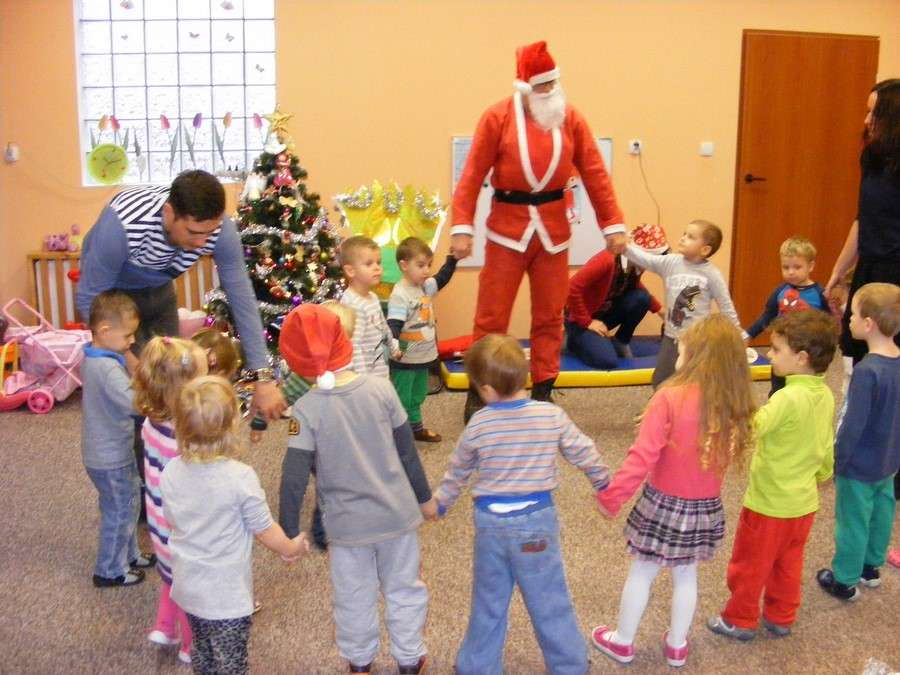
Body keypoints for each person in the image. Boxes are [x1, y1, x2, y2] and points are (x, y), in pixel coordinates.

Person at [450, 40, 626, 414]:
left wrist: (612, 224)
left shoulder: (571, 118)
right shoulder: (497, 117)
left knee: (549, 317)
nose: (549, 89)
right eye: (542, 84)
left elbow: (595, 172)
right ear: (526, 86)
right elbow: (472, 175)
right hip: (506, 231)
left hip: (553, 234)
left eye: (553, 82)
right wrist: (462, 226)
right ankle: (479, 391)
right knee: (491, 317)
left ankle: (544, 389)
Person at [432, 334, 609, 675]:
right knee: (550, 598)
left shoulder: (478, 424)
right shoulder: (550, 415)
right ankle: (569, 666)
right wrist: (603, 483)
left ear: (485, 389)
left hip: (491, 525)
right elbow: (583, 450)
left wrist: (441, 503)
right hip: (536, 522)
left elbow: (457, 471)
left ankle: (477, 666)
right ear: (525, 376)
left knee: (488, 600)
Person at [592, 315, 756, 669]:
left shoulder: (669, 397)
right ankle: (677, 645)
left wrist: (612, 496)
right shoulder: (731, 404)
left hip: (663, 505)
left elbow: (641, 457)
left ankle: (622, 641)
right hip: (704, 508)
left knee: (643, 571)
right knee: (686, 575)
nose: (677, 354)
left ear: (696, 356)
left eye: (681, 350)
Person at [277, 304, 433, 675]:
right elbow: (407, 452)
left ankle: (360, 662)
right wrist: (425, 499)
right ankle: (409, 659)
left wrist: (287, 532)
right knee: (404, 588)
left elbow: (293, 477)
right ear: (345, 342)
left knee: (353, 595)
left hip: (346, 528)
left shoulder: (305, 410)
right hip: (397, 518)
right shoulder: (382, 390)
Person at [75, 169, 284, 418]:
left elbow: (242, 299)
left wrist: (263, 377)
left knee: (172, 382)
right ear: (168, 212)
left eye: (209, 233)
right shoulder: (123, 223)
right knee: (138, 397)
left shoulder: (219, 230)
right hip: (114, 297)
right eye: (193, 232)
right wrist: (125, 355)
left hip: (160, 288)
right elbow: (91, 296)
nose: (202, 243)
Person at [160, 376, 309, 675]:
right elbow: (264, 529)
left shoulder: (171, 470)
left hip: (188, 585)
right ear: (232, 425)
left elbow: (172, 519)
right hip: (225, 596)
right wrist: (291, 547)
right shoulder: (240, 477)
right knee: (231, 664)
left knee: (203, 652)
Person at [707, 310, 836, 641]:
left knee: (750, 564)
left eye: (777, 350)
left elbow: (751, 427)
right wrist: (824, 472)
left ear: (802, 358)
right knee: (788, 564)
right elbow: (826, 446)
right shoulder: (825, 395)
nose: (770, 354)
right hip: (803, 505)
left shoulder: (786, 398)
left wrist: (729, 404)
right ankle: (781, 616)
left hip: (768, 505)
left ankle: (740, 619)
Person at [817, 283, 900, 600]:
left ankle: (845, 580)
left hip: (859, 465)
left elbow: (852, 424)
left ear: (868, 324)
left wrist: (837, 459)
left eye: (852, 314)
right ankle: (870, 567)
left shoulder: (866, 371)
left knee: (852, 520)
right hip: (888, 461)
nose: (848, 319)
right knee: (881, 513)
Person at [133, 336, 208, 664]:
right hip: (183, 530)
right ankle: (191, 646)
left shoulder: (151, 425)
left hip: (158, 525)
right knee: (192, 589)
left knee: (170, 576)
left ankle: (165, 626)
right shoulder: (185, 440)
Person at [81, 291, 155, 588]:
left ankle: (130, 555)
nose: (132, 341)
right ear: (104, 330)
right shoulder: (107, 368)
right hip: (110, 457)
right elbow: (134, 405)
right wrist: (156, 398)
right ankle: (110, 569)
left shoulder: (97, 356)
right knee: (121, 510)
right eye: (127, 335)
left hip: (111, 452)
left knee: (129, 503)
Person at [624, 220, 745, 387]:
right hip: (671, 337)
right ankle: (660, 403)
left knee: (694, 381)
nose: (683, 238)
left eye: (690, 237)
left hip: (697, 340)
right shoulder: (670, 263)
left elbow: (726, 306)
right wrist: (625, 247)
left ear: (705, 249)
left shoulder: (712, 274)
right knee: (661, 379)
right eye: (684, 234)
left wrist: (738, 334)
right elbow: (646, 259)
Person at [565, 224, 666, 368]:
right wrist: (587, 322)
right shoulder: (607, 259)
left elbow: (633, 285)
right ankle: (573, 340)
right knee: (607, 361)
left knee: (642, 298)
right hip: (581, 319)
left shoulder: (635, 265)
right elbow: (571, 288)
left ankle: (620, 341)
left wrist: (660, 310)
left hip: (603, 314)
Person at [387, 237, 458, 442]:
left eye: (428, 265)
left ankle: (416, 428)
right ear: (404, 265)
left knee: (418, 395)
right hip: (405, 358)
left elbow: (442, 277)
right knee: (403, 397)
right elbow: (394, 324)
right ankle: (398, 433)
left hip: (424, 356)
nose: (426, 270)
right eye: (420, 265)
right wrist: (393, 345)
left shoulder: (425, 286)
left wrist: (453, 259)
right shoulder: (400, 294)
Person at [745, 237, 830, 395]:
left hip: (807, 355)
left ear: (811, 266)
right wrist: (749, 334)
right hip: (782, 351)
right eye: (786, 267)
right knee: (778, 389)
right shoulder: (779, 292)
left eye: (797, 267)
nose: (791, 272)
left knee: (805, 391)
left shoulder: (820, 294)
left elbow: (828, 326)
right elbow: (767, 317)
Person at [339, 235, 398, 378]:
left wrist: (393, 348)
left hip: (380, 369)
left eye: (378, 262)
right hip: (365, 376)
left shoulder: (372, 297)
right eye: (369, 264)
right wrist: (362, 380)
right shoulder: (352, 305)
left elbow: (384, 328)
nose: (377, 268)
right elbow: (354, 346)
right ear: (351, 271)